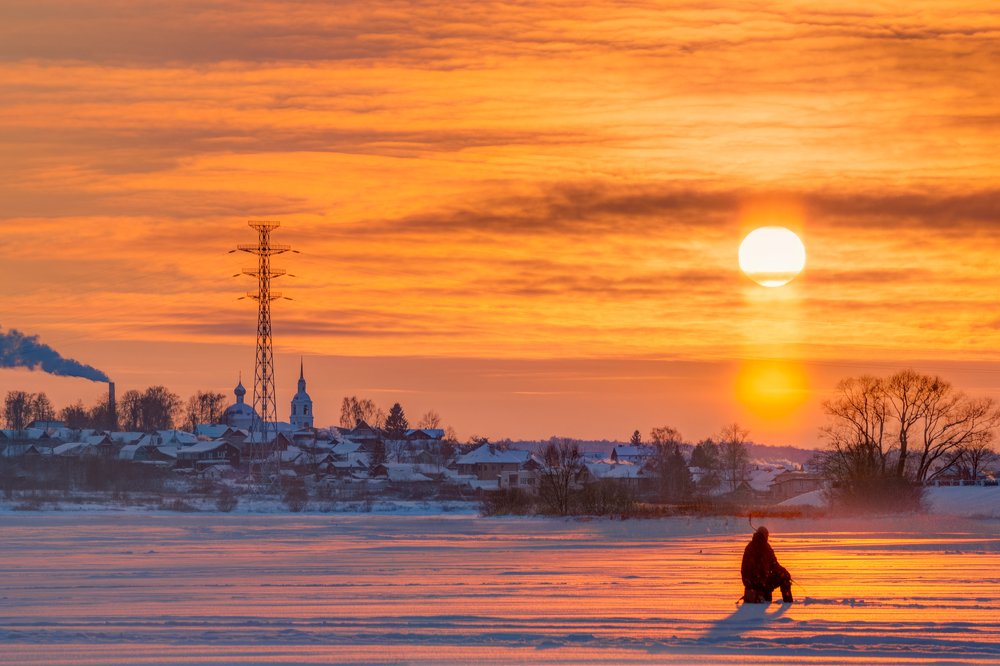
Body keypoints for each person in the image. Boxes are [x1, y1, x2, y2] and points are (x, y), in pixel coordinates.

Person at [741, 526, 793, 603]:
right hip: (761, 583)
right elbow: (774, 566)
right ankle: (788, 601)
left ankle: (762, 594)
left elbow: (745, 569)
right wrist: (785, 572)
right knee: (785, 576)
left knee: (765, 580)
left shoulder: (749, 547)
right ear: (765, 535)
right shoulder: (766, 547)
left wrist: (749, 583)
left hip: (749, 583)